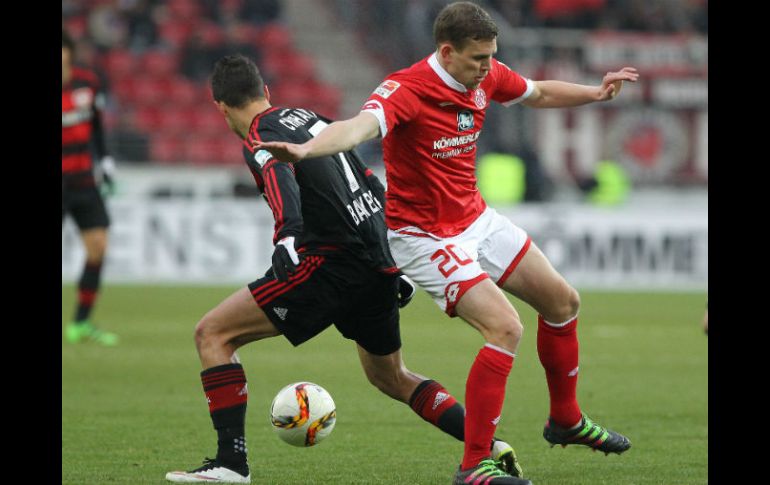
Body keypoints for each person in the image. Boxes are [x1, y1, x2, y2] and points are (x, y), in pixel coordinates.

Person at [255, 3, 638, 484]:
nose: (487, 67)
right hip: (422, 236)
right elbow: (357, 128)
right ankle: (475, 464)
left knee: (563, 301)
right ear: (446, 51)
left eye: (490, 57)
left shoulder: (485, 74)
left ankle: (565, 420)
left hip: (475, 219)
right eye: (479, 58)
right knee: (505, 328)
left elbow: (537, 94)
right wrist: (308, 150)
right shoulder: (406, 90)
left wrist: (595, 93)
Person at [165, 54, 526, 484]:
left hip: (329, 266)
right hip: (375, 264)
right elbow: (371, 183)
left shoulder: (260, 134)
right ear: (266, 92)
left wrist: (287, 234)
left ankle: (231, 464)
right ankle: (485, 445)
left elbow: (280, 176)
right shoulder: (310, 118)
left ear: (220, 107)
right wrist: (397, 261)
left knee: (213, 334)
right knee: (389, 375)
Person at [62, 29, 118, 346]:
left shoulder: (87, 83)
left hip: (84, 180)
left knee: (98, 248)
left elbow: (96, 126)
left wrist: (106, 160)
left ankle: (81, 323)